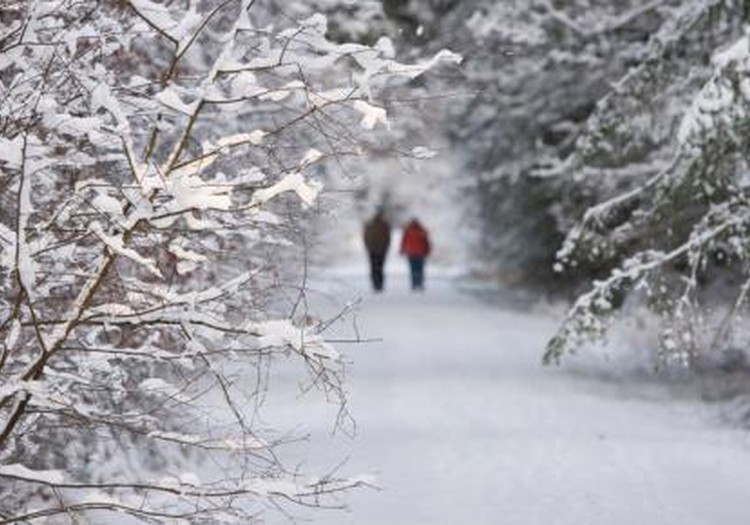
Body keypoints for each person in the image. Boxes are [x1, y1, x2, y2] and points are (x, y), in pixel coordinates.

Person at [363, 210, 391, 292]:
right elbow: (388, 238)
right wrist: (386, 247)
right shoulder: (385, 224)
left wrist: (368, 246)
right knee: (380, 268)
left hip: (373, 250)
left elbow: (365, 237)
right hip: (381, 250)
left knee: (373, 268)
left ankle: (375, 284)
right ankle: (379, 284)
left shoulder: (370, 224)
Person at [400, 218, 431, 291]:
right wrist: (427, 250)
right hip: (421, 253)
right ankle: (420, 283)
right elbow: (426, 242)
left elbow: (403, 241)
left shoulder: (407, 231)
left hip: (411, 253)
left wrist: (402, 250)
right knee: (420, 269)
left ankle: (414, 284)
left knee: (413, 269)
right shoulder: (422, 231)